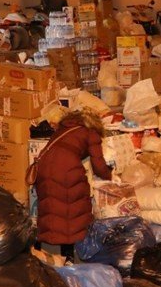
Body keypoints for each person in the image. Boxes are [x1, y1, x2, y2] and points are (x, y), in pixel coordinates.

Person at [33, 111, 112, 259]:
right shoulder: (90, 133)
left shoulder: (63, 129)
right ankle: (71, 248)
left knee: (51, 206)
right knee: (74, 206)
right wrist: (110, 175)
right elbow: (99, 166)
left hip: (43, 168)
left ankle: (46, 245)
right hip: (67, 170)